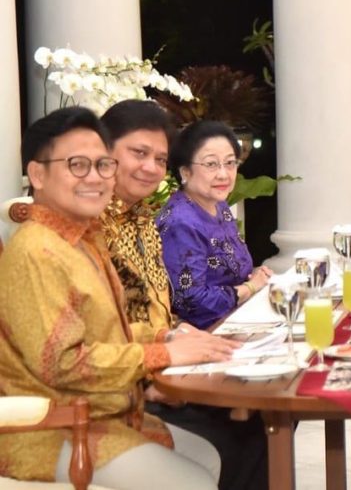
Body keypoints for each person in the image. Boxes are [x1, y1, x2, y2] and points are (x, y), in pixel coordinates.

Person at [0, 107, 234, 489]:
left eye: (103, 165)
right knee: (194, 481)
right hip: (54, 429)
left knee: (208, 455)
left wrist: (167, 337)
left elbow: (106, 331)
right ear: (38, 174)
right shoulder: (36, 251)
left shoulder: (81, 240)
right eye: (77, 165)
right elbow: (63, 363)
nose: (95, 178)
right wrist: (162, 355)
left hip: (105, 414)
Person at [99, 100, 269, 490]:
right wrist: (158, 370)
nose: (150, 167)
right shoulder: (90, 228)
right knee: (242, 435)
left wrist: (180, 339)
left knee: (260, 419)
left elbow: (160, 309)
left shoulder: (141, 220)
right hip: (126, 388)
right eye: (138, 153)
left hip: (162, 364)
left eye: (158, 158)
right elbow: (92, 338)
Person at [157, 120, 273, 330]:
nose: (223, 174)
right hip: (205, 335)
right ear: (185, 172)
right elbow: (192, 301)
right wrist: (251, 287)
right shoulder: (181, 222)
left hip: (238, 320)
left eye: (230, 163)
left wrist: (259, 276)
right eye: (211, 164)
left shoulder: (218, 206)